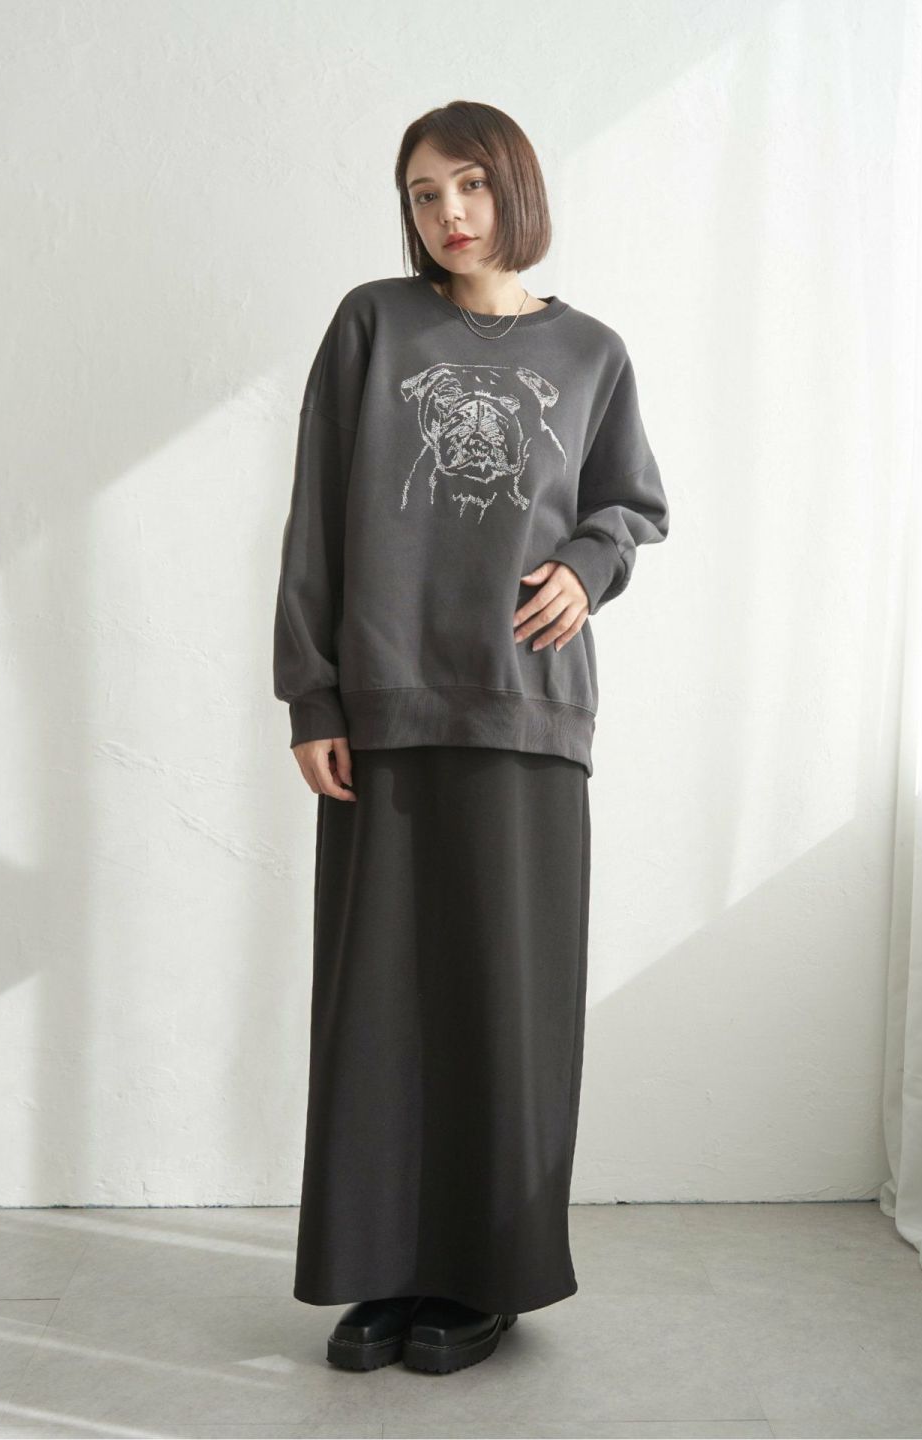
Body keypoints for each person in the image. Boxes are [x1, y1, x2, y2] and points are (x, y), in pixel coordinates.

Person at [272, 99, 670, 1375]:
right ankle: (382, 1272)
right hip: (387, 710)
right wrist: (314, 696)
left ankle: (485, 1280)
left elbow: (631, 505)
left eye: (471, 186)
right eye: (424, 192)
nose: (449, 213)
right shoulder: (373, 325)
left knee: (507, 1002)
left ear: (516, 190)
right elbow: (316, 516)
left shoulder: (592, 352)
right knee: (379, 1007)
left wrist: (589, 566)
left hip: (527, 710)